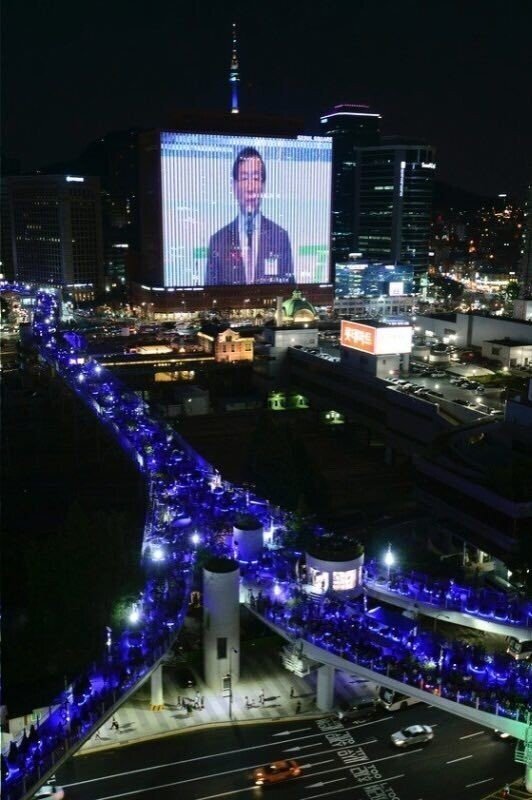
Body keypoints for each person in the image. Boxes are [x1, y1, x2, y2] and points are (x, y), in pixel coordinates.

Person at [205, 147, 294, 286]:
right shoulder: (217, 241)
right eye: (244, 178)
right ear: (234, 187)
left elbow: (290, 292)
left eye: (256, 178)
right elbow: (209, 294)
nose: (250, 188)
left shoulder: (280, 237)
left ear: (263, 186)